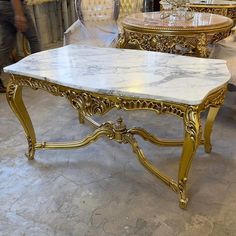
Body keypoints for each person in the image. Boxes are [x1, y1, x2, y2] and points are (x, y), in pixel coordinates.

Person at [0, 0, 41, 93]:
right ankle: (38, 76)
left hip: (3, 6)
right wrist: (19, 13)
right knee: (33, 39)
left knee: (6, 47)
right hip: (14, 6)